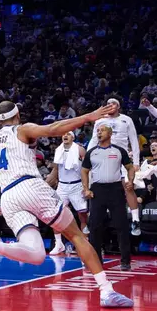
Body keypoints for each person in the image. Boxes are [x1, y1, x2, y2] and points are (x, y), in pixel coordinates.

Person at [0, 101, 133, 308]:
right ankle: (106, 290)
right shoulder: (22, 129)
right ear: (17, 115)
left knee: (36, 254)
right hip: (30, 186)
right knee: (77, 235)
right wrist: (88, 117)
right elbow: (52, 129)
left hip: (8, 197)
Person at [82, 123, 134, 271]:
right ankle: (95, 260)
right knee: (95, 226)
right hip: (98, 190)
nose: (99, 132)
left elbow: (130, 167)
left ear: (110, 134)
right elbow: (84, 171)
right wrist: (86, 188)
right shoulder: (91, 152)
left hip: (115, 189)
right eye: (97, 130)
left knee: (121, 225)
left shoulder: (119, 151)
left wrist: (130, 181)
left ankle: (125, 261)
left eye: (102, 130)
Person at [87, 96, 141, 236]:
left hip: (121, 157)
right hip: (102, 156)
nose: (110, 105)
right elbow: (93, 140)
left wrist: (136, 162)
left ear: (118, 107)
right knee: (96, 188)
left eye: (113, 104)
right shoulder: (100, 120)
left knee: (128, 186)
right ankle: (93, 219)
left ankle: (135, 220)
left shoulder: (126, 120)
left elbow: (134, 140)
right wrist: (87, 159)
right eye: (108, 103)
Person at [47, 131, 88, 255]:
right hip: (62, 186)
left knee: (83, 215)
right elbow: (56, 169)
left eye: (68, 134)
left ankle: (85, 242)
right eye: (63, 134)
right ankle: (59, 244)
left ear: (73, 137)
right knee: (55, 215)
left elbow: (87, 170)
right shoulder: (58, 150)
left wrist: (86, 187)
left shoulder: (80, 150)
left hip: (77, 185)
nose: (65, 136)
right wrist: (46, 184)